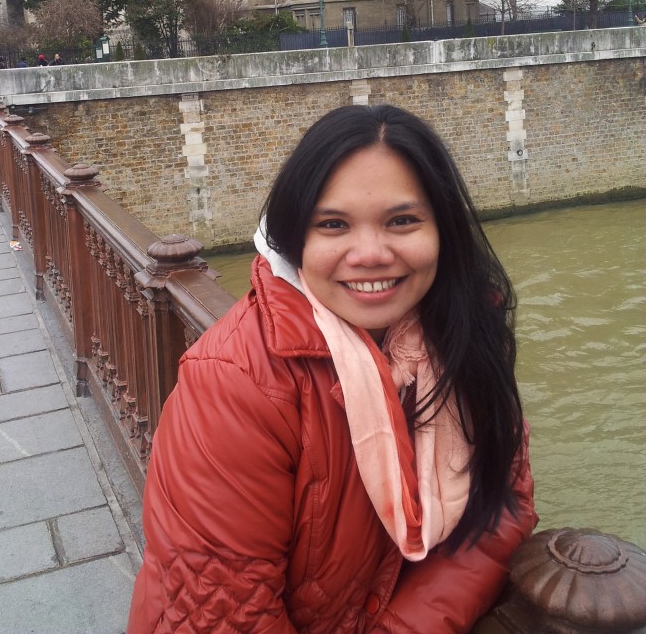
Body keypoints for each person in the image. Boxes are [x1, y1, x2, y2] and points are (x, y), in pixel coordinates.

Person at [128, 104, 537, 634]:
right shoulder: (235, 380)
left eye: (403, 221)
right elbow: (226, 613)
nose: (370, 254)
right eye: (333, 225)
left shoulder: (467, 333)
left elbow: (503, 504)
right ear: (294, 239)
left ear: (444, 231)